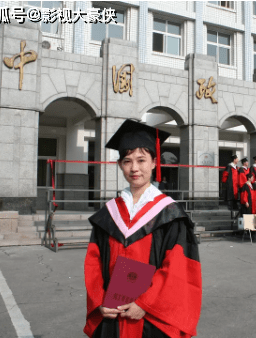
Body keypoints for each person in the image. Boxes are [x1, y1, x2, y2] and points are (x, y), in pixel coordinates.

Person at [84, 119, 201, 338]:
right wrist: (99, 300)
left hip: (151, 319)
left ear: (154, 163)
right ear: (120, 165)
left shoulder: (169, 214)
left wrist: (146, 303)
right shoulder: (109, 214)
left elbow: (176, 267)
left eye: (141, 160)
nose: (134, 168)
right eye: (127, 161)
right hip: (113, 315)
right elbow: (93, 263)